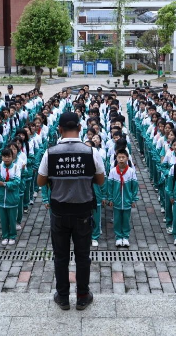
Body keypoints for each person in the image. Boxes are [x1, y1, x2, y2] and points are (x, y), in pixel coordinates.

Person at [37, 112, 105, 311]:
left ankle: (63, 297)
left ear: (59, 129)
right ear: (80, 128)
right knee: (83, 256)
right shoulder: (91, 152)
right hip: (83, 212)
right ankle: (83, 296)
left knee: (61, 256)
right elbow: (100, 180)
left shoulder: (50, 152)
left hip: (59, 212)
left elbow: (40, 180)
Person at [107, 148, 139, 248]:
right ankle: (118, 237)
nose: (121, 159)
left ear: (127, 158)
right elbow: (110, 186)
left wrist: (133, 199)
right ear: (116, 158)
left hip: (127, 200)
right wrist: (110, 199)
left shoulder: (131, 172)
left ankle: (125, 236)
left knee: (126, 219)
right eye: (119, 157)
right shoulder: (113, 172)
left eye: (123, 157)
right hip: (116, 200)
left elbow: (134, 186)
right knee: (116, 219)